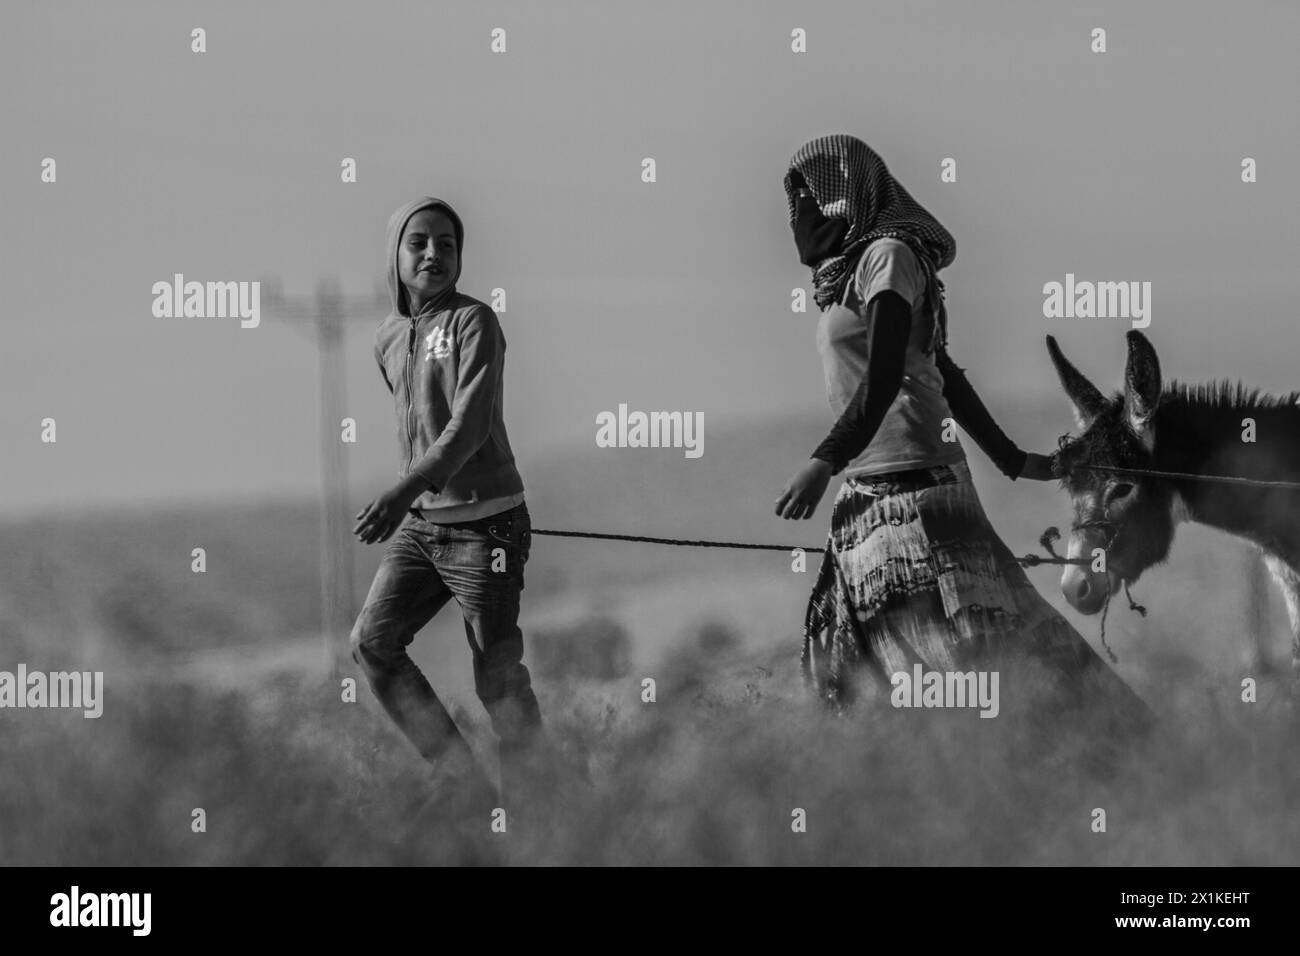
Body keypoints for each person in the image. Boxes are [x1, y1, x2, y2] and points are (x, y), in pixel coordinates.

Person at [775, 135, 1150, 726]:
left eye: (809, 197)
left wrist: (822, 461)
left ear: (846, 196)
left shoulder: (889, 256)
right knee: (850, 659)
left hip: (917, 485)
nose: (800, 213)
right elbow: (942, 368)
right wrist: (1016, 459)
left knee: (964, 650)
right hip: (869, 487)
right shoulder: (844, 276)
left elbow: (884, 382)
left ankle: (1087, 747)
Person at [350, 196, 543, 810]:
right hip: (422, 529)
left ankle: (552, 812)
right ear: (395, 256)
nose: (434, 252)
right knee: (372, 643)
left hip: (488, 529)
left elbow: (469, 428)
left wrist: (405, 487)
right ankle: (469, 791)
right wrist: (414, 499)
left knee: (497, 680)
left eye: (447, 244)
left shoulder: (474, 322)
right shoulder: (385, 337)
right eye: (419, 242)